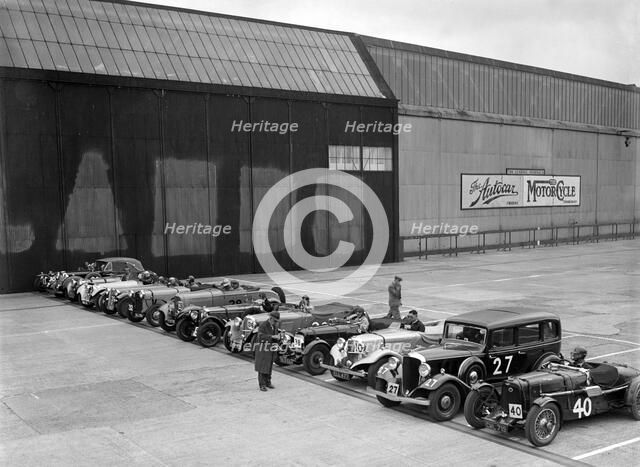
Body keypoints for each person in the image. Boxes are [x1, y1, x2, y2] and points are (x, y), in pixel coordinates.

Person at [255, 310, 280, 391]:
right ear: (270, 318)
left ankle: (268, 382)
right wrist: (272, 337)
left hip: (271, 349)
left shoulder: (274, 326)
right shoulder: (263, 325)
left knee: (269, 366)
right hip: (263, 348)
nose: (276, 323)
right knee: (262, 367)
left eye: (276, 321)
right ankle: (262, 384)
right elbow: (261, 336)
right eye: (275, 321)